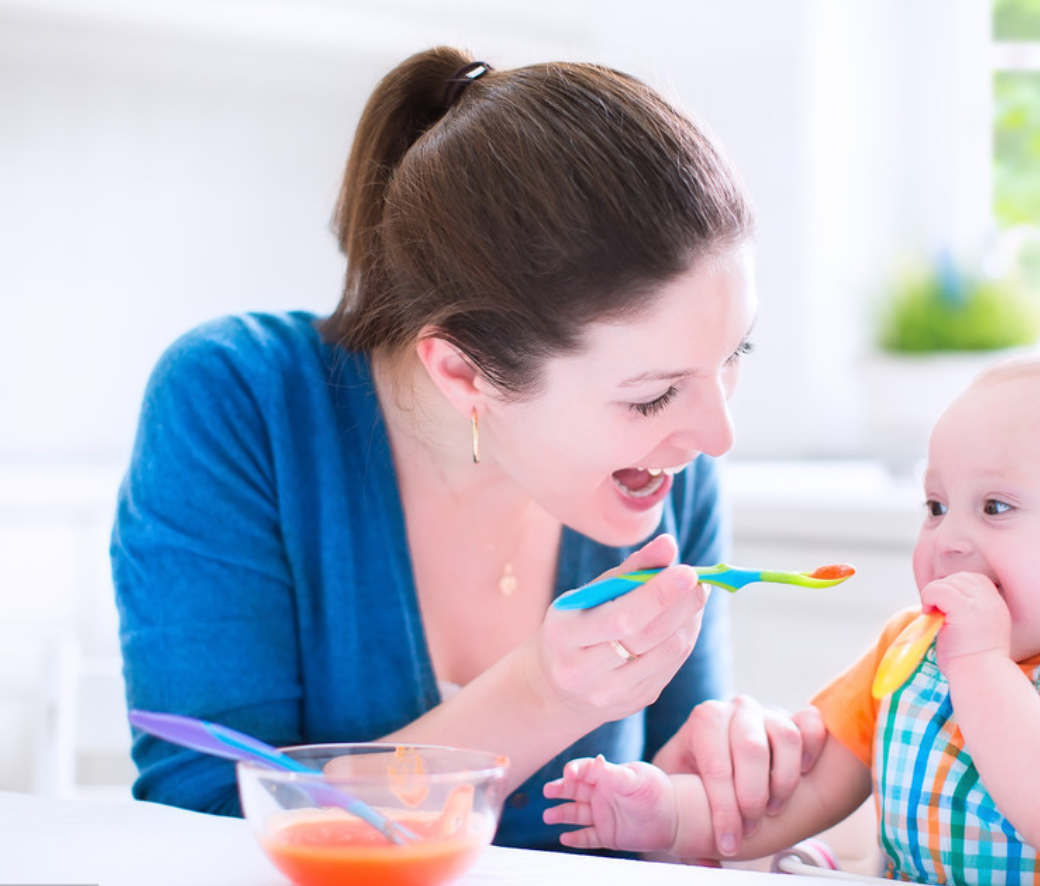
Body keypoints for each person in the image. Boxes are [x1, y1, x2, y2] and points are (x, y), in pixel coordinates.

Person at [111, 47, 822, 854]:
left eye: (735, 357)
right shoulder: (239, 403)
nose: (716, 435)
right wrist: (541, 692)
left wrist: (714, 797)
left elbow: (662, 831)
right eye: (652, 395)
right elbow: (201, 832)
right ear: (461, 371)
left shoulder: (661, 470)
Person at [544, 355, 1040, 885]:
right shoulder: (907, 653)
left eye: (995, 507)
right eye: (936, 506)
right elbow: (804, 795)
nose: (948, 540)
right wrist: (668, 813)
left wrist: (979, 665)